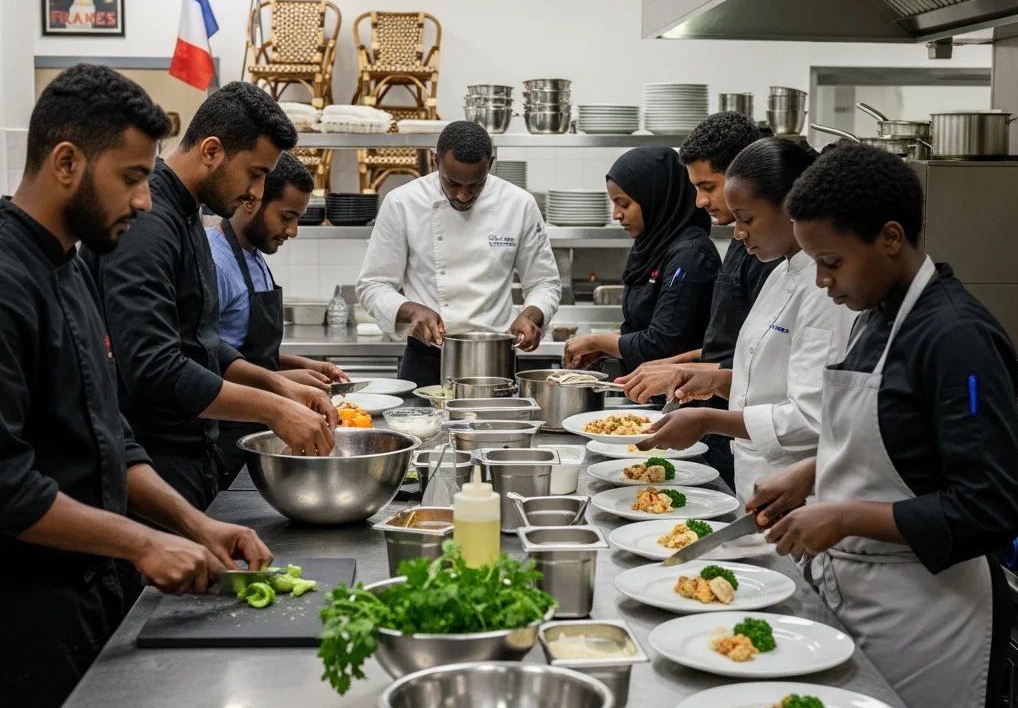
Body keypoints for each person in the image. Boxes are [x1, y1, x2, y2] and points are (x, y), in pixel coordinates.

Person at [0, 65, 272, 708]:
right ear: (66, 163)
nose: (145, 199)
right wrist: (142, 541)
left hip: (88, 593)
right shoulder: (6, 281)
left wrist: (192, 523)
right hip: (24, 614)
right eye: (129, 177)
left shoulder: (72, 267)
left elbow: (108, 435)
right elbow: (8, 487)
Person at [748, 142, 1018, 708]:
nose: (822, 282)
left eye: (831, 262)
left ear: (891, 238)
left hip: (927, 616)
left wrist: (843, 516)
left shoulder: (956, 338)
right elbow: (892, 436)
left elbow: (989, 508)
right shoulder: (875, 316)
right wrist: (811, 473)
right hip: (860, 594)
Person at [86, 83, 338, 512]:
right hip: (151, 467)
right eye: (255, 173)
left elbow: (200, 339)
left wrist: (275, 384)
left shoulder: (190, 216)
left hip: (188, 458)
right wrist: (274, 410)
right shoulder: (148, 224)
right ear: (211, 151)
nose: (257, 193)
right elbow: (155, 367)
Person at [638, 138, 856, 503]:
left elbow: (811, 419)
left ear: (791, 207)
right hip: (756, 478)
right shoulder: (779, 273)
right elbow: (774, 381)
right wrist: (720, 381)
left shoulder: (824, 290)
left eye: (747, 219)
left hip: (800, 494)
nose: (738, 233)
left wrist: (709, 420)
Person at [617, 113, 782, 485]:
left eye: (708, 186)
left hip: (749, 435)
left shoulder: (773, 256)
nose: (700, 200)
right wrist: (677, 366)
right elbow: (733, 345)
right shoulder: (746, 243)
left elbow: (771, 374)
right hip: (730, 431)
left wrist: (699, 376)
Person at [356, 121, 562, 387]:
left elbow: (544, 282)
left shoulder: (519, 204)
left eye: (475, 184)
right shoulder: (402, 203)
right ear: (435, 161)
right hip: (427, 355)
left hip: (496, 356)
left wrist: (531, 315)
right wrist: (413, 311)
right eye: (452, 183)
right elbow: (373, 284)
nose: (463, 195)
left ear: (491, 164)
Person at [207, 151, 350, 484]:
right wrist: (283, 383)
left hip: (263, 426)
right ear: (251, 201)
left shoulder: (255, 256)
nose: (294, 230)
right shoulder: (216, 260)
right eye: (287, 216)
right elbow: (208, 358)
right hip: (227, 434)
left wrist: (303, 366)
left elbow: (244, 349)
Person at [562, 146, 719, 374]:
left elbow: (662, 344)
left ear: (656, 197)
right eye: (614, 203)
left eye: (624, 204)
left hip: (684, 399)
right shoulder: (652, 247)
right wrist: (609, 348)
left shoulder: (690, 257)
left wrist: (596, 342)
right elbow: (641, 328)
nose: (616, 214)